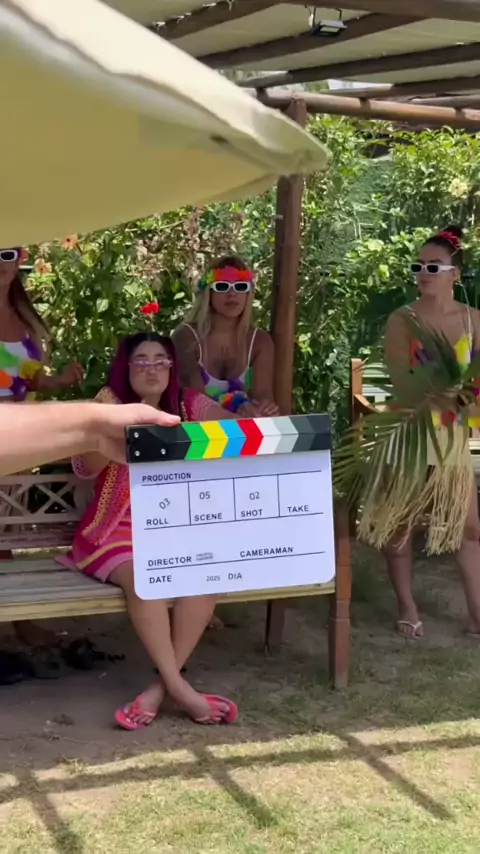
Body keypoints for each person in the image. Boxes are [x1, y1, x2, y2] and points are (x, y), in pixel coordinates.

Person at [60, 332, 238, 729]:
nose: (152, 368)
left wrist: (247, 413)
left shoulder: (189, 404)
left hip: (175, 528)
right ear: (126, 367)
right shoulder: (109, 404)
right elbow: (84, 467)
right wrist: (114, 431)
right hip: (112, 530)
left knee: (207, 576)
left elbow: (236, 430)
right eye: (141, 360)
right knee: (147, 580)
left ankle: (161, 688)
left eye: (161, 360)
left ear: (172, 367)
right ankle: (181, 689)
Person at [381, 225, 480, 639]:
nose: (423, 273)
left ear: (455, 274)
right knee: (400, 523)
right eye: (418, 266)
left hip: (452, 432)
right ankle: (407, 605)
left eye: (433, 266)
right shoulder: (402, 319)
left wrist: (465, 402)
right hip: (410, 430)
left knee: (469, 528)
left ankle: (477, 614)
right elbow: (402, 380)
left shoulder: (473, 320)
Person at [0, 246, 83, 648]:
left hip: (20, 444)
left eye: (6, 253)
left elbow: (30, 378)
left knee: (3, 532)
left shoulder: (25, 318)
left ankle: (20, 619)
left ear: (19, 260)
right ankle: (22, 622)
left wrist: (60, 381)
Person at [172, 255, 279, 418]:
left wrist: (264, 408)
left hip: (247, 429)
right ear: (208, 292)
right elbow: (195, 402)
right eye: (222, 286)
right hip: (197, 429)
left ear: (248, 294)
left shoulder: (259, 341)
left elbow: (263, 395)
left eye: (240, 286)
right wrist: (239, 407)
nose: (232, 294)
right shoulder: (186, 337)